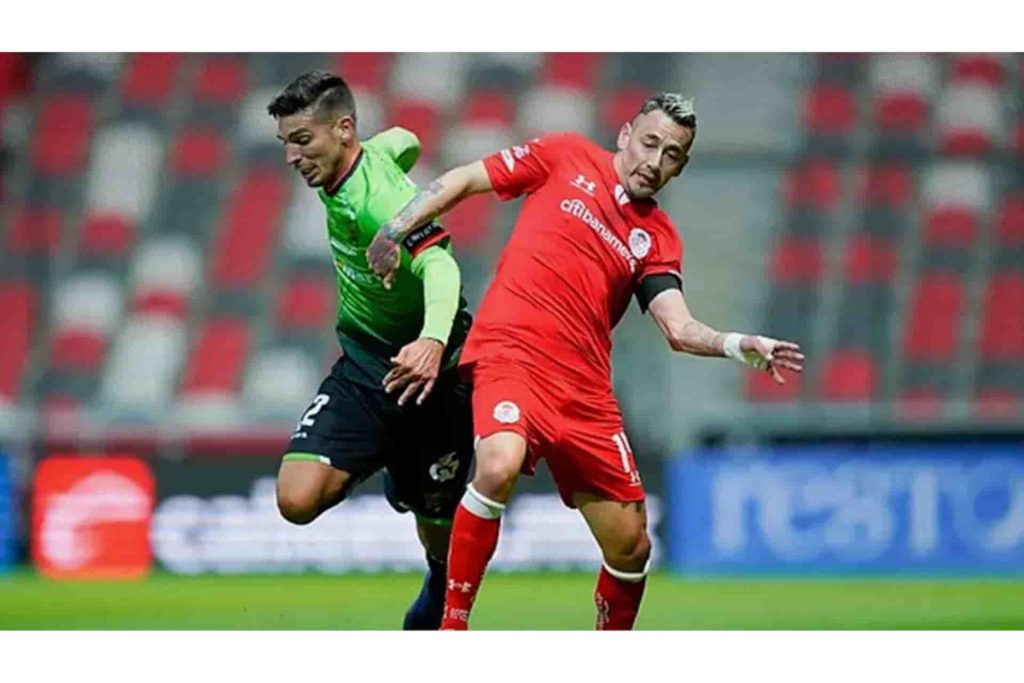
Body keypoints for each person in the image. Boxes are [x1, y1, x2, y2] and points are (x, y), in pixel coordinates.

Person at [366, 93, 806, 630]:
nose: (655, 161)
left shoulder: (657, 237)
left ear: (681, 165)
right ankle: (452, 627)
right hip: (512, 354)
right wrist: (395, 229)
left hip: (585, 394)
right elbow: (465, 179)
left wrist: (736, 343)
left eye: (671, 154)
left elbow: (678, 328)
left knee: (632, 546)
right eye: (649, 143)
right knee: (498, 464)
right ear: (625, 135)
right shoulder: (565, 155)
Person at [266, 71, 475, 629]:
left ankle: (436, 577)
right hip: (365, 365)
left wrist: (431, 341)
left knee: (437, 524)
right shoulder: (360, 159)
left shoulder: (380, 202)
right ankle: (386, 449)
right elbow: (407, 139)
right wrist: (394, 156)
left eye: (301, 140)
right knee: (296, 500)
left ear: (343, 130)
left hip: (434, 372)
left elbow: (440, 265)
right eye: (285, 142)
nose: (291, 157)